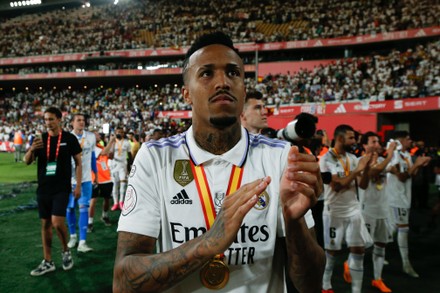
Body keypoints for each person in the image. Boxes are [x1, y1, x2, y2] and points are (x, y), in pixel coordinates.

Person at [113, 31, 325, 293]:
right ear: (186, 94)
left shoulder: (281, 157)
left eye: (233, 73)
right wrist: (210, 243)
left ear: (243, 90)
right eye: (207, 73)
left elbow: (311, 285)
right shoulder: (156, 157)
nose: (223, 81)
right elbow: (123, 282)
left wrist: (295, 224)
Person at [23, 107, 82, 276]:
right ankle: (48, 261)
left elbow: (78, 162)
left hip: (61, 189)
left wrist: (78, 185)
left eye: (51, 119)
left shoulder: (69, 139)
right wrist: (32, 149)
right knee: (45, 225)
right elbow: (27, 161)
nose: (48, 123)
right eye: (46, 120)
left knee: (57, 222)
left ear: (59, 119)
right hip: (43, 188)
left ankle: (65, 251)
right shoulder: (40, 139)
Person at [319, 124, 372, 293]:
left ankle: (356, 291)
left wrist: (368, 168)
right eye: (351, 138)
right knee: (332, 251)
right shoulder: (326, 159)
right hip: (334, 211)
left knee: (359, 249)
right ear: (340, 138)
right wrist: (358, 171)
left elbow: (362, 185)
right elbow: (337, 186)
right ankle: (326, 285)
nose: (354, 141)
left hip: (353, 209)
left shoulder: (353, 158)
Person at [385, 130, 431, 278]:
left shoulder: (406, 156)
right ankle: (406, 264)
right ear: (400, 141)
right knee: (403, 229)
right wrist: (416, 164)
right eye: (408, 138)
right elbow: (402, 177)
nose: (410, 141)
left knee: (391, 229)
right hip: (397, 198)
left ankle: (377, 252)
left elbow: (412, 174)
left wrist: (419, 165)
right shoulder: (395, 156)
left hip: (404, 197)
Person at [358, 132, 396, 292]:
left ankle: (377, 279)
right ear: (365, 145)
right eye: (373, 141)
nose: (376, 144)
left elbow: (391, 169)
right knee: (360, 248)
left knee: (381, 246)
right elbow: (373, 173)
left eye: (378, 141)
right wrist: (391, 154)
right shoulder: (360, 161)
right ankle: (354, 277)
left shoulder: (381, 161)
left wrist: (394, 164)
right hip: (367, 211)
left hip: (383, 210)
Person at [66, 114, 96, 253]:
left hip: (86, 180)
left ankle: (82, 242)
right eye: (78, 120)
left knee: (84, 208)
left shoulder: (91, 136)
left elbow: (93, 157)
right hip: (69, 180)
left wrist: (96, 175)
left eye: (83, 120)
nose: (82, 122)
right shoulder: (67, 138)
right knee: (70, 209)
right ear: (72, 123)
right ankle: (73, 236)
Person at [88, 131, 113, 232]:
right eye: (97, 134)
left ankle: (105, 216)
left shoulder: (100, 146)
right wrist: (111, 141)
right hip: (95, 179)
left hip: (106, 177)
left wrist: (112, 148)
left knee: (107, 199)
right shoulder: (91, 147)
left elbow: (110, 156)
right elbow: (103, 153)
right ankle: (90, 222)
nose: (99, 136)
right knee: (93, 201)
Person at [107, 127, 132, 211]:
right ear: (115, 133)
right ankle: (115, 203)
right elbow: (109, 156)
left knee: (123, 184)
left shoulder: (127, 142)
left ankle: (121, 202)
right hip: (114, 166)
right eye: (118, 132)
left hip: (123, 165)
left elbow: (130, 155)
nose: (120, 134)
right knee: (114, 184)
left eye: (121, 132)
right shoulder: (111, 142)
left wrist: (130, 167)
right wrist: (112, 143)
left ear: (123, 133)